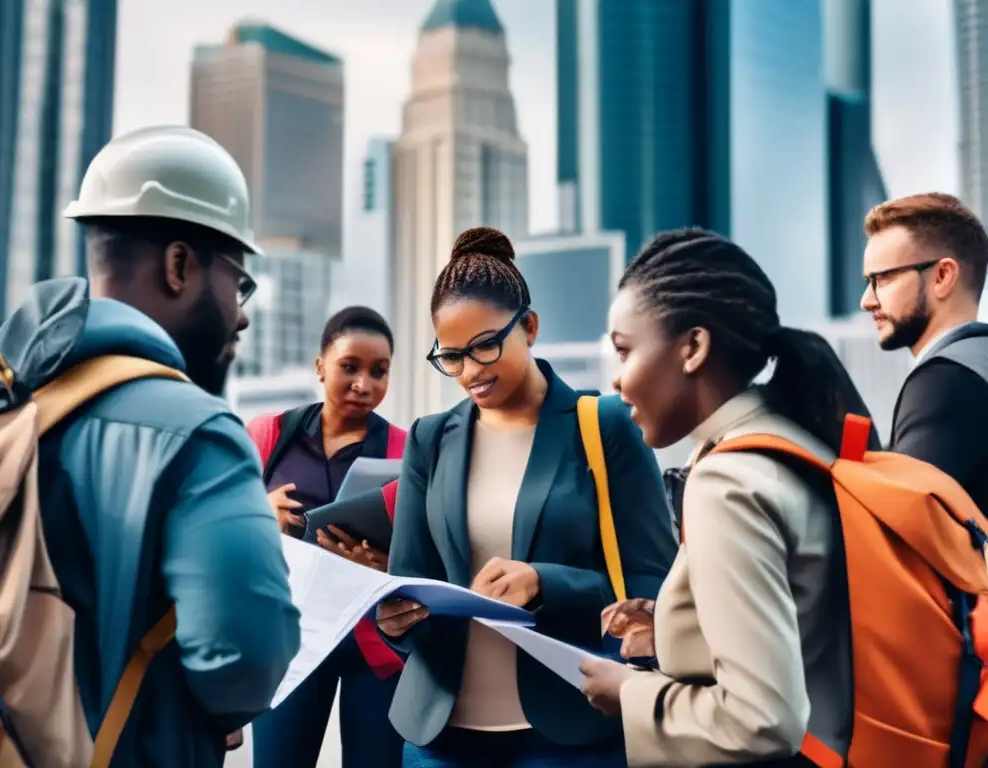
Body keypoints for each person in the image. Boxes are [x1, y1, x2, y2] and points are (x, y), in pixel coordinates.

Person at [0, 125, 301, 765]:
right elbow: (245, 658)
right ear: (180, 264)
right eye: (237, 282)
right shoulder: (201, 436)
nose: (240, 314)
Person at [377, 227, 677, 767]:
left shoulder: (604, 424)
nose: (470, 371)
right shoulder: (429, 438)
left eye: (486, 345)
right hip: (440, 737)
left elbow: (656, 586)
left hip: (569, 732)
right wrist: (395, 620)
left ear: (530, 327)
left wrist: (546, 581)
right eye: (451, 357)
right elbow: (410, 579)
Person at [581, 229, 877, 765]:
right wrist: (673, 621)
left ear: (692, 348)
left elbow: (760, 720)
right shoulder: (796, 442)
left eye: (624, 351)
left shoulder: (727, 484)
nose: (618, 381)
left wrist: (629, 693)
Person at [249, 306, 408, 768]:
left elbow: (422, 551)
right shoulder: (269, 435)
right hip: (290, 640)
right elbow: (222, 533)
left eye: (379, 372)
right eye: (350, 367)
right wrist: (261, 517)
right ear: (320, 366)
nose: (365, 384)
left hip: (372, 642)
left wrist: (382, 563)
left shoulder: (405, 448)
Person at [861, 192, 988, 511]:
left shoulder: (945, 381)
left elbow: (895, 519)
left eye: (883, 278)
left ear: (943, 276)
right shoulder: (977, 364)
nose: (867, 300)